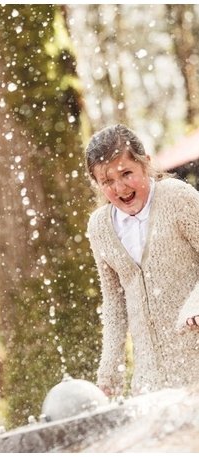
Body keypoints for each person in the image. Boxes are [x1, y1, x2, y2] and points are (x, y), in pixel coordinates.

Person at [85, 124, 199, 397]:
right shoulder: (99, 227)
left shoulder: (176, 197)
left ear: (146, 163)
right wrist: (108, 371)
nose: (120, 187)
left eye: (126, 173)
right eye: (107, 181)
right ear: (96, 183)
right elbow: (114, 303)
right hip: (150, 380)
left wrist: (195, 302)